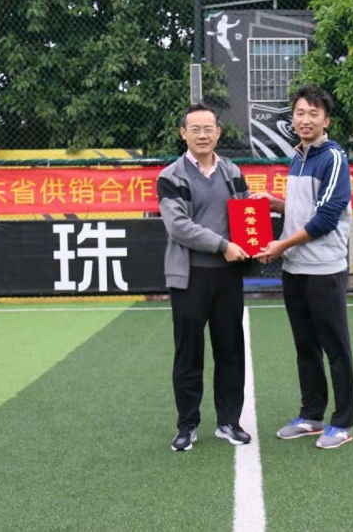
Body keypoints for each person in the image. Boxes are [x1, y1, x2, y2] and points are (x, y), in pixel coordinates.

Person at [253, 85, 353, 449]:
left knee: (335, 348)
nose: (305, 119)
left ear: (326, 121)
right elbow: (304, 209)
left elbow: (326, 218)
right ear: (292, 118)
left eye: (314, 113)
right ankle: (312, 415)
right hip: (294, 269)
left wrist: (281, 245)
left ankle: (342, 423)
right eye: (300, 113)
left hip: (324, 269)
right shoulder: (298, 157)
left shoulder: (333, 158)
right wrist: (275, 203)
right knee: (305, 346)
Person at [158, 102, 253, 452]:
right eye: (195, 129)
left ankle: (229, 422)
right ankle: (187, 425)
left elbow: (246, 213)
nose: (202, 135)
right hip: (190, 278)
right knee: (189, 354)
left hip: (228, 277)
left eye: (208, 128)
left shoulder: (232, 171)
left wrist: (254, 237)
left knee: (230, 352)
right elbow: (178, 226)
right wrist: (223, 245)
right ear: (183, 133)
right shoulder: (170, 176)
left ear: (218, 133)